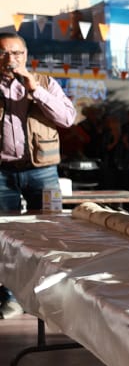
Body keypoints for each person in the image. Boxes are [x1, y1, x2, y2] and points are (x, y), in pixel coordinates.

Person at [0, 30, 76, 319]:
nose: (10, 59)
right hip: (2, 173)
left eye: (16, 53)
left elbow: (67, 119)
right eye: (4, 53)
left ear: (26, 57)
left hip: (42, 171)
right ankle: (10, 297)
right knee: (5, 238)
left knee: (50, 234)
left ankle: (49, 294)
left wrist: (35, 90)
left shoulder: (45, 82)